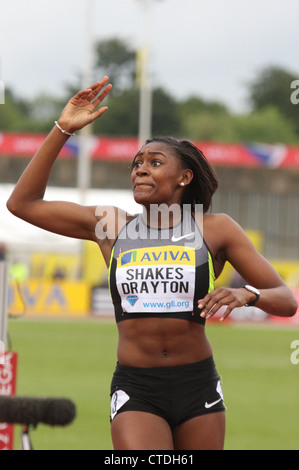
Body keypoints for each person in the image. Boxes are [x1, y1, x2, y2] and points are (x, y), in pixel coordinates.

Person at [7, 77, 297, 450]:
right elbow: (22, 205)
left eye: (154, 163)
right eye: (136, 164)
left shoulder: (215, 229)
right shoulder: (111, 225)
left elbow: (285, 298)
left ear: (184, 177)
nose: (140, 170)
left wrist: (247, 295)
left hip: (198, 385)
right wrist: (63, 129)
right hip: (136, 386)